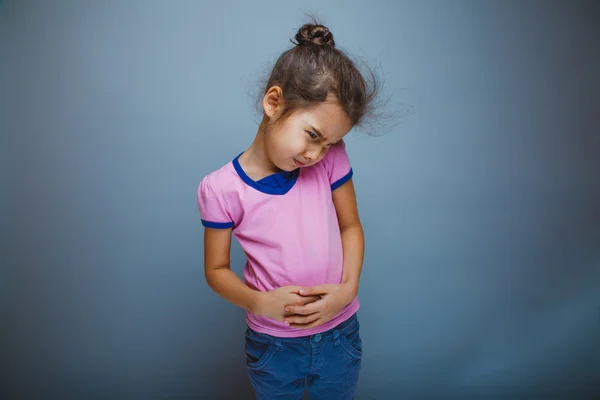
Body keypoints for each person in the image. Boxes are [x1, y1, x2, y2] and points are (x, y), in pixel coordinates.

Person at [197, 20, 381, 400]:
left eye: (330, 143)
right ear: (274, 102)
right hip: (274, 346)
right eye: (313, 135)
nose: (316, 154)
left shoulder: (331, 162)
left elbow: (351, 227)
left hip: (339, 333)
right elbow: (216, 271)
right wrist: (260, 302)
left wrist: (348, 290)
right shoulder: (221, 189)